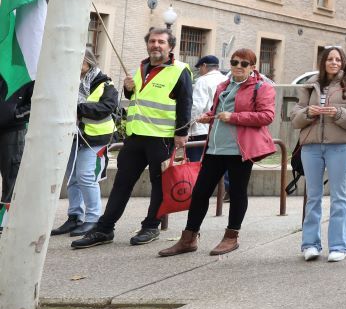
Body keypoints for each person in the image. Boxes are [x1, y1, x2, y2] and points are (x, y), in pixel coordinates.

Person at [73, 27, 192, 249]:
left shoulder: (180, 70)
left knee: (159, 185)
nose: (156, 45)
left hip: (162, 138)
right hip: (135, 136)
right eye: (152, 41)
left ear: (170, 47)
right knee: (122, 183)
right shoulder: (142, 67)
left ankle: (150, 226)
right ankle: (104, 229)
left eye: (161, 42)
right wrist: (128, 90)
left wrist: (181, 134)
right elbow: (137, 97)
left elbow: (185, 103)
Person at [159, 48, 276, 257]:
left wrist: (234, 117)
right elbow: (218, 112)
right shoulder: (223, 85)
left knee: (238, 192)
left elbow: (266, 116)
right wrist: (209, 116)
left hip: (239, 150)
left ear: (252, 67)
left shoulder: (262, 87)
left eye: (244, 63)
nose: (238, 66)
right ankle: (189, 238)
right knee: (200, 192)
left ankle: (231, 236)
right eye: (234, 62)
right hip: (214, 148)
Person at [290, 46, 346, 262]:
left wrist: (338, 113)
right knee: (313, 197)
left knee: (339, 197)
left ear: (343, 62)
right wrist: (308, 112)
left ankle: (339, 246)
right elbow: (295, 118)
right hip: (311, 147)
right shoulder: (310, 87)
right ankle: (310, 244)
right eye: (330, 59)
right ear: (323, 62)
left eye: (338, 59)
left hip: (339, 147)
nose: (334, 63)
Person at [52, 49, 118, 237]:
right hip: (73, 135)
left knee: (86, 176)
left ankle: (93, 219)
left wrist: (79, 108)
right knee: (72, 177)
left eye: (79, 59)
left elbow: (107, 107)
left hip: (96, 137)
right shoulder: (69, 79)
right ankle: (74, 217)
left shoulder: (104, 82)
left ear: (89, 62)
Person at [0, 73, 34, 235]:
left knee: (12, 171)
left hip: (13, 130)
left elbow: (34, 104)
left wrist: (15, 115)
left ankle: (7, 217)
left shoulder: (27, 70)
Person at [187, 55, 225, 162]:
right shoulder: (226, 79)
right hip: (219, 129)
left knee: (193, 163)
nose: (199, 71)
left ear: (204, 65)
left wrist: (187, 126)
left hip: (200, 129)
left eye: (199, 68)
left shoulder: (203, 80)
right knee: (216, 164)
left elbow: (197, 106)